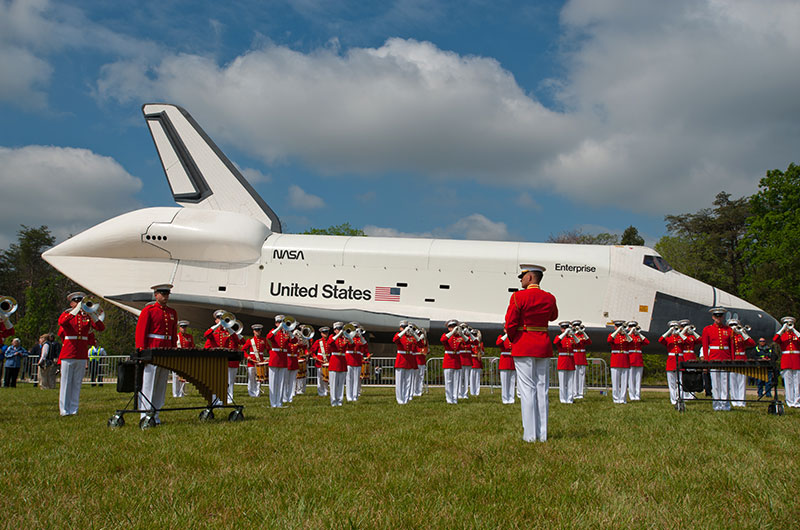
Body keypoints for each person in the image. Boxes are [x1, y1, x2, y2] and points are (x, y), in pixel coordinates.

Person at [505, 265, 559, 443]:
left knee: (527, 390)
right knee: (541, 389)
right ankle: (542, 435)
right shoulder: (549, 298)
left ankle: (529, 436)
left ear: (529, 278)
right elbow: (553, 317)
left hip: (524, 345)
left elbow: (510, 323)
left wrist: (514, 339)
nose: (520, 280)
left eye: (522, 277)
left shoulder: (518, 297)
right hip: (542, 345)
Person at [134, 284, 178, 423]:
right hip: (152, 349)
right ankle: (145, 413)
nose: (165, 296)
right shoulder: (149, 310)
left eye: (167, 294)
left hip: (165, 350)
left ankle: (156, 413)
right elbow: (141, 331)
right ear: (156, 295)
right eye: (162, 294)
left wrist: (172, 349)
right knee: (149, 383)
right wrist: (141, 349)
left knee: (160, 383)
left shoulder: (172, 312)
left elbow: (172, 333)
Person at [58, 291, 106, 416]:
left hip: (81, 353)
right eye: (77, 302)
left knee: (77, 382)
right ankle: (64, 410)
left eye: (81, 301)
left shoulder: (86, 317)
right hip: (69, 352)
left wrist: (92, 314)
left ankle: (74, 409)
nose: (80, 304)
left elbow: (101, 327)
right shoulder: (68, 314)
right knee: (66, 382)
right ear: (72, 303)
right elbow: (62, 322)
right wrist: (75, 310)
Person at [204, 309, 241, 405]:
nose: (221, 320)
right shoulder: (213, 330)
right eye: (219, 318)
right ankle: (213, 399)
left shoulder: (227, 331)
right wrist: (216, 326)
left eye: (223, 318)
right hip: (215, 358)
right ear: (216, 320)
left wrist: (228, 327)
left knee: (223, 381)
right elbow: (206, 335)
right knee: (214, 380)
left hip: (224, 359)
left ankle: (222, 399)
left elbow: (236, 340)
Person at [701, 307, 735, 411]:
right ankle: (716, 405)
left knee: (725, 382)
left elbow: (732, 346)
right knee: (715, 383)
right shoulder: (707, 329)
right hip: (714, 357)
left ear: (723, 317)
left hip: (725, 357)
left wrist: (732, 359)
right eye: (716, 316)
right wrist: (706, 361)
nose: (718, 318)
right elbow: (705, 346)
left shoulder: (729, 330)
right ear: (713, 317)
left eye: (720, 316)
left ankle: (725, 405)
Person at [774, 316, 800, 408]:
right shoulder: (783, 335)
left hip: (796, 360)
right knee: (788, 383)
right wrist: (783, 329)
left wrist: (793, 329)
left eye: (790, 323)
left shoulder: (796, 335)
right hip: (786, 360)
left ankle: (797, 402)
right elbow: (775, 339)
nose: (789, 325)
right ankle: (790, 401)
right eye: (787, 323)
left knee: (797, 383)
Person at [729, 319, 755, 407]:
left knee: (742, 382)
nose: (733, 326)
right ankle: (734, 401)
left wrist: (742, 333)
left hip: (742, 358)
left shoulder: (741, 335)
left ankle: (742, 401)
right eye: (731, 325)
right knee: (733, 382)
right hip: (732, 359)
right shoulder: (729, 336)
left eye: (735, 324)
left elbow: (752, 343)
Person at [266, 315, 289, 408]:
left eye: (282, 322)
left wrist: (290, 332)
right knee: (273, 382)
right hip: (275, 358)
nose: (281, 323)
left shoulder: (286, 334)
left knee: (281, 382)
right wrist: (279, 328)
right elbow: (269, 336)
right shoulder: (273, 332)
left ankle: (279, 403)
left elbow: (294, 340)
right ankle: (273, 403)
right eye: (279, 322)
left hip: (283, 359)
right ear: (276, 323)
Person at [659, 321, 684, 405]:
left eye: (676, 327)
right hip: (671, 361)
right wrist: (669, 332)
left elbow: (687, 341)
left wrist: (679, 333)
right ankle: (673, 400)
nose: (674, 329)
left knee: (680, 381)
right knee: (672, 383)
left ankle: (679, 398)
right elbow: (660, 340)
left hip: (680, 360)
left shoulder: (681, 338)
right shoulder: (669, 338)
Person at [393, 321, 417, 405]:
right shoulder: (399, 335)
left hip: (409, 360)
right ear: (400, 328)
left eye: (406, 327)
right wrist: (403, 331)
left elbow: (420, 343)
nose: (405, 328)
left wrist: (413, 333)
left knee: (408, 381)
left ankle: (406, 399)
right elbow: (395, 339)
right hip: (401, 360)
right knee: (400, 381)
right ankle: (400, 400)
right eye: (403, 327)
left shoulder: (411, 337)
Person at [326, 322, 349, 407]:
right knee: (333, 384)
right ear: (335, 330)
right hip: (334, 362)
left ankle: (339, 401)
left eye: (341, 329)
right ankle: (333, 401)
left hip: (342, 362)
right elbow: (330, 342)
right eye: (338, 329)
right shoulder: (332, 337)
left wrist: (348, 337)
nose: (340, 331)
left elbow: (352, 345)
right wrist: (339, 334)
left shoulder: (344, 338)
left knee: (341, 384)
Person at [607, 320, 630, 404]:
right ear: (615, 327)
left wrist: (626, 333)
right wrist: (617, 331)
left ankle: (623, 398)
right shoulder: (613, 335)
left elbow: (631, 342)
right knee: (615, 381)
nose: (620, 328)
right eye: (618, 326)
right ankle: (616, 398)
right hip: (615, 360)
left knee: (624, 382)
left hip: (624, 360)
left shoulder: (626, 336)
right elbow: (609, 340)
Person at [441, 320, 463, 404]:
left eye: (454, 326)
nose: (453, 328)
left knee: (456, 381)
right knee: (448, 381)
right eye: (451, 327)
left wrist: (461, 333)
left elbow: (468, 342)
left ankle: (455, 398)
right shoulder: (446, 335)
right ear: (449, 328)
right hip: (448, 360)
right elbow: (443, 339)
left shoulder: (459, 337)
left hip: (457, 360)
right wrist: (453, 332)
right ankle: (449, 399)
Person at [553, 321, 576, 404]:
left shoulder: (571, 338)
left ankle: (570, 399)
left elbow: (578, 342)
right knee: (562, 382)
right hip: (562, 360)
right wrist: (564, 333)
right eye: (563, 328)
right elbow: (555, 342)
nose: (565, 330)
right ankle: (563, 399)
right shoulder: (559, 337)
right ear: (561, 329)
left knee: (570, 381)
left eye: (566, 328)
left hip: (570, 360)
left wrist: (573, 334)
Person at [626, 321, 649, 401]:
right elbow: (626, 340)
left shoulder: (638, 337)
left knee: (638, 379)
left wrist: (639, 334)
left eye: (634, 326)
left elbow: (646, 342)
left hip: (638, 360)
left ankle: (637, 395)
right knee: (631, 379)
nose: (633, 328)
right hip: (631, 359)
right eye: (631, 326)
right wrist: (630, 332)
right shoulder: (628, 336)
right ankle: (632, 395)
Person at [242, 324, 267, 398]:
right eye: (256, 331)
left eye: (259, 331)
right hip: (251, 362)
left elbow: (269, 349)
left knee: (259, 378)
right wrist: (247, 356)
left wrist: (269, 357)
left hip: (260, 361)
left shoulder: (264, 340)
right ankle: (251, 392)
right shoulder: (250, 341)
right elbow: (243, 350)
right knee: (251, 378)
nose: (258, 332)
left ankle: (257, 392)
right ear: (253, 331)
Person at [173, 320, 195, 397]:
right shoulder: (176, 336)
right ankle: (176, 393)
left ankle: (182, 392)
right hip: (178, 358)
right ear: (179, 328)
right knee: (176, 376)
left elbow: (192, 346)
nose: (184, 329)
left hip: (186, 358)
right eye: (182, 327)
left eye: (185, 327)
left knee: (183, 376)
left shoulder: (189, 337)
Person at [571, 321, 590, 400]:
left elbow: (589, 342)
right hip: (575, 356)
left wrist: (583, 333)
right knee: (575, 377)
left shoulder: (582, 335)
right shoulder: (572, 335)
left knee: (581, 376)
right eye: (576, 326)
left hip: (582, 357)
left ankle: (580, 393)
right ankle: (575, 393)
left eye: (578, 326)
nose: (577, 328)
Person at [496, 330, 515, 404]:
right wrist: (506, 335)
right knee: (504, 382)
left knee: (512, 381)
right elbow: (498, 343)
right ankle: (505, 399)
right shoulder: (501, 337)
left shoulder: (513, 337)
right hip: (504, 360)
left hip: (512, 361)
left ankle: (511, 398)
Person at [311, 327, 331, 397]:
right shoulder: (318, 341)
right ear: (321, 333)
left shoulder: (330, 341)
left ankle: (326, 391)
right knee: (320, 378)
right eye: (324, 333)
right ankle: (321, 392)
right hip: (320, 361)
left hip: (327, 361)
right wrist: (315, 357)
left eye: (326, 333)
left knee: (327, 378)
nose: (325, 334)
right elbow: (312, 351)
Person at [413, 328, 428, 397]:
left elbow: (426, 350)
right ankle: (413, 391)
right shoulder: (415, 339)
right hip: (415, 360)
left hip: (422, 360)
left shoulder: (424, 341)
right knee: (414, 377)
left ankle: (419, 391)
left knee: (420, 377)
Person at [469, 332, 483, 397]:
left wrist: (480, 350)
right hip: (472, 360)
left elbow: (482, 353)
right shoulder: (470, 343)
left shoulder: (480, 344)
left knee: (477, 378)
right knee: (472, 378)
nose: (474, 336)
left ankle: (477, 392)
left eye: (475, 335)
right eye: (473, 335)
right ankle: (472, 392)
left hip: (477, 361)